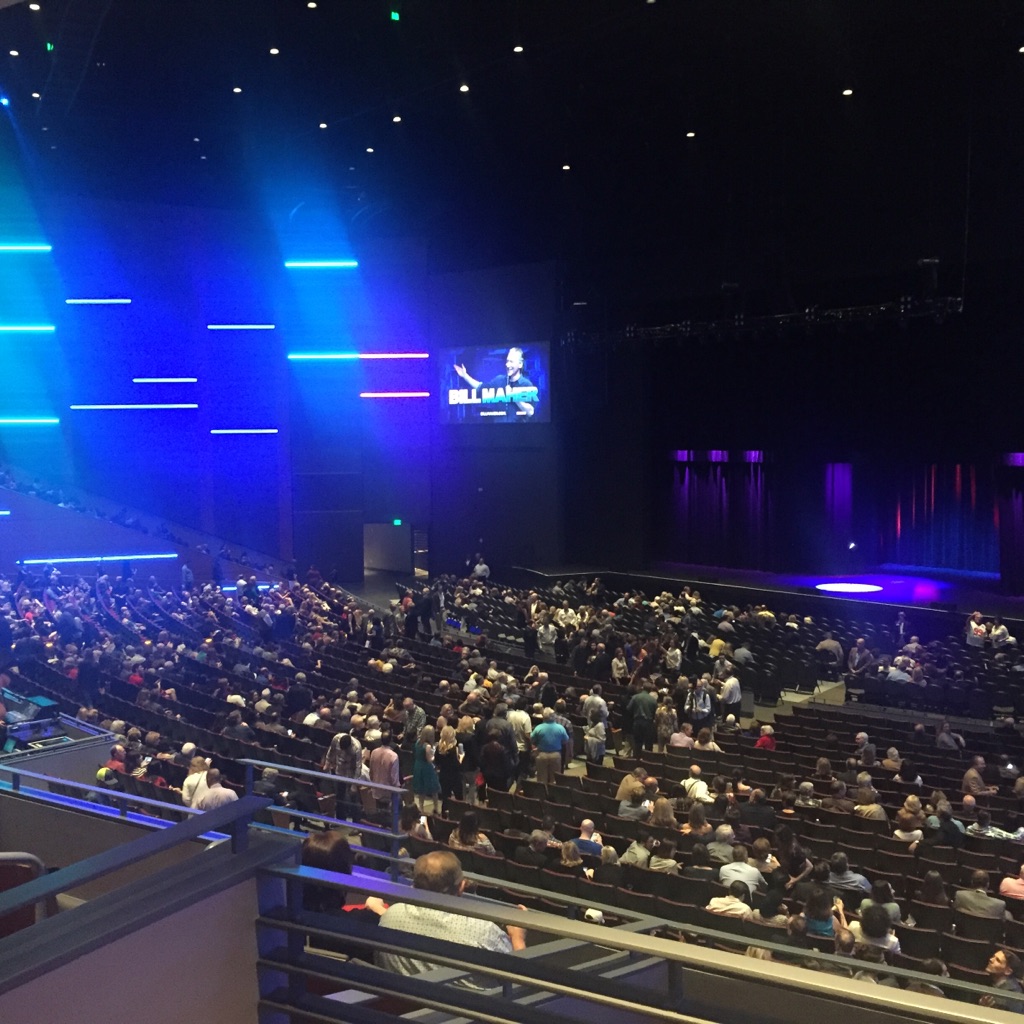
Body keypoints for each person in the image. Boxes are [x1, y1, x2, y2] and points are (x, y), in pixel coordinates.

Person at [375, 851, 527, 986]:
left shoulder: (391, 916)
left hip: (404, 1006)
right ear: (461, 887)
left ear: (414, 885)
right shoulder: (483, 931)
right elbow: (520, 978)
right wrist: (517, 937)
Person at [453, 346, 537, 418]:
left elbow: (530, 412)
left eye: (511, 362)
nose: (507, 365)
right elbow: (480, 387)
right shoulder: (499, 380)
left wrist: (514, 397)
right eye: (507, 361)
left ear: (520, 364)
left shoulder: (527, 385)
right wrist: (465, 376)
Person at [530, 707, 570, 784]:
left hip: (541, 755)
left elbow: (532, 740)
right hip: (556, 755)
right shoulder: (560, 728)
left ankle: (542, 795)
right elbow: (566, 740)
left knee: (541, 779)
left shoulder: (538, 728)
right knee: (554, 780)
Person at [412, 725, 441, 814]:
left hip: (418, 766)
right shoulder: (427, 746)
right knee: (434, 789)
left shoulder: (417, 742)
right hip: (426, 768)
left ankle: (421, 807)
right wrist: (434, 755)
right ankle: (436, 807)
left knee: (422, 789)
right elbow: (430, 760)